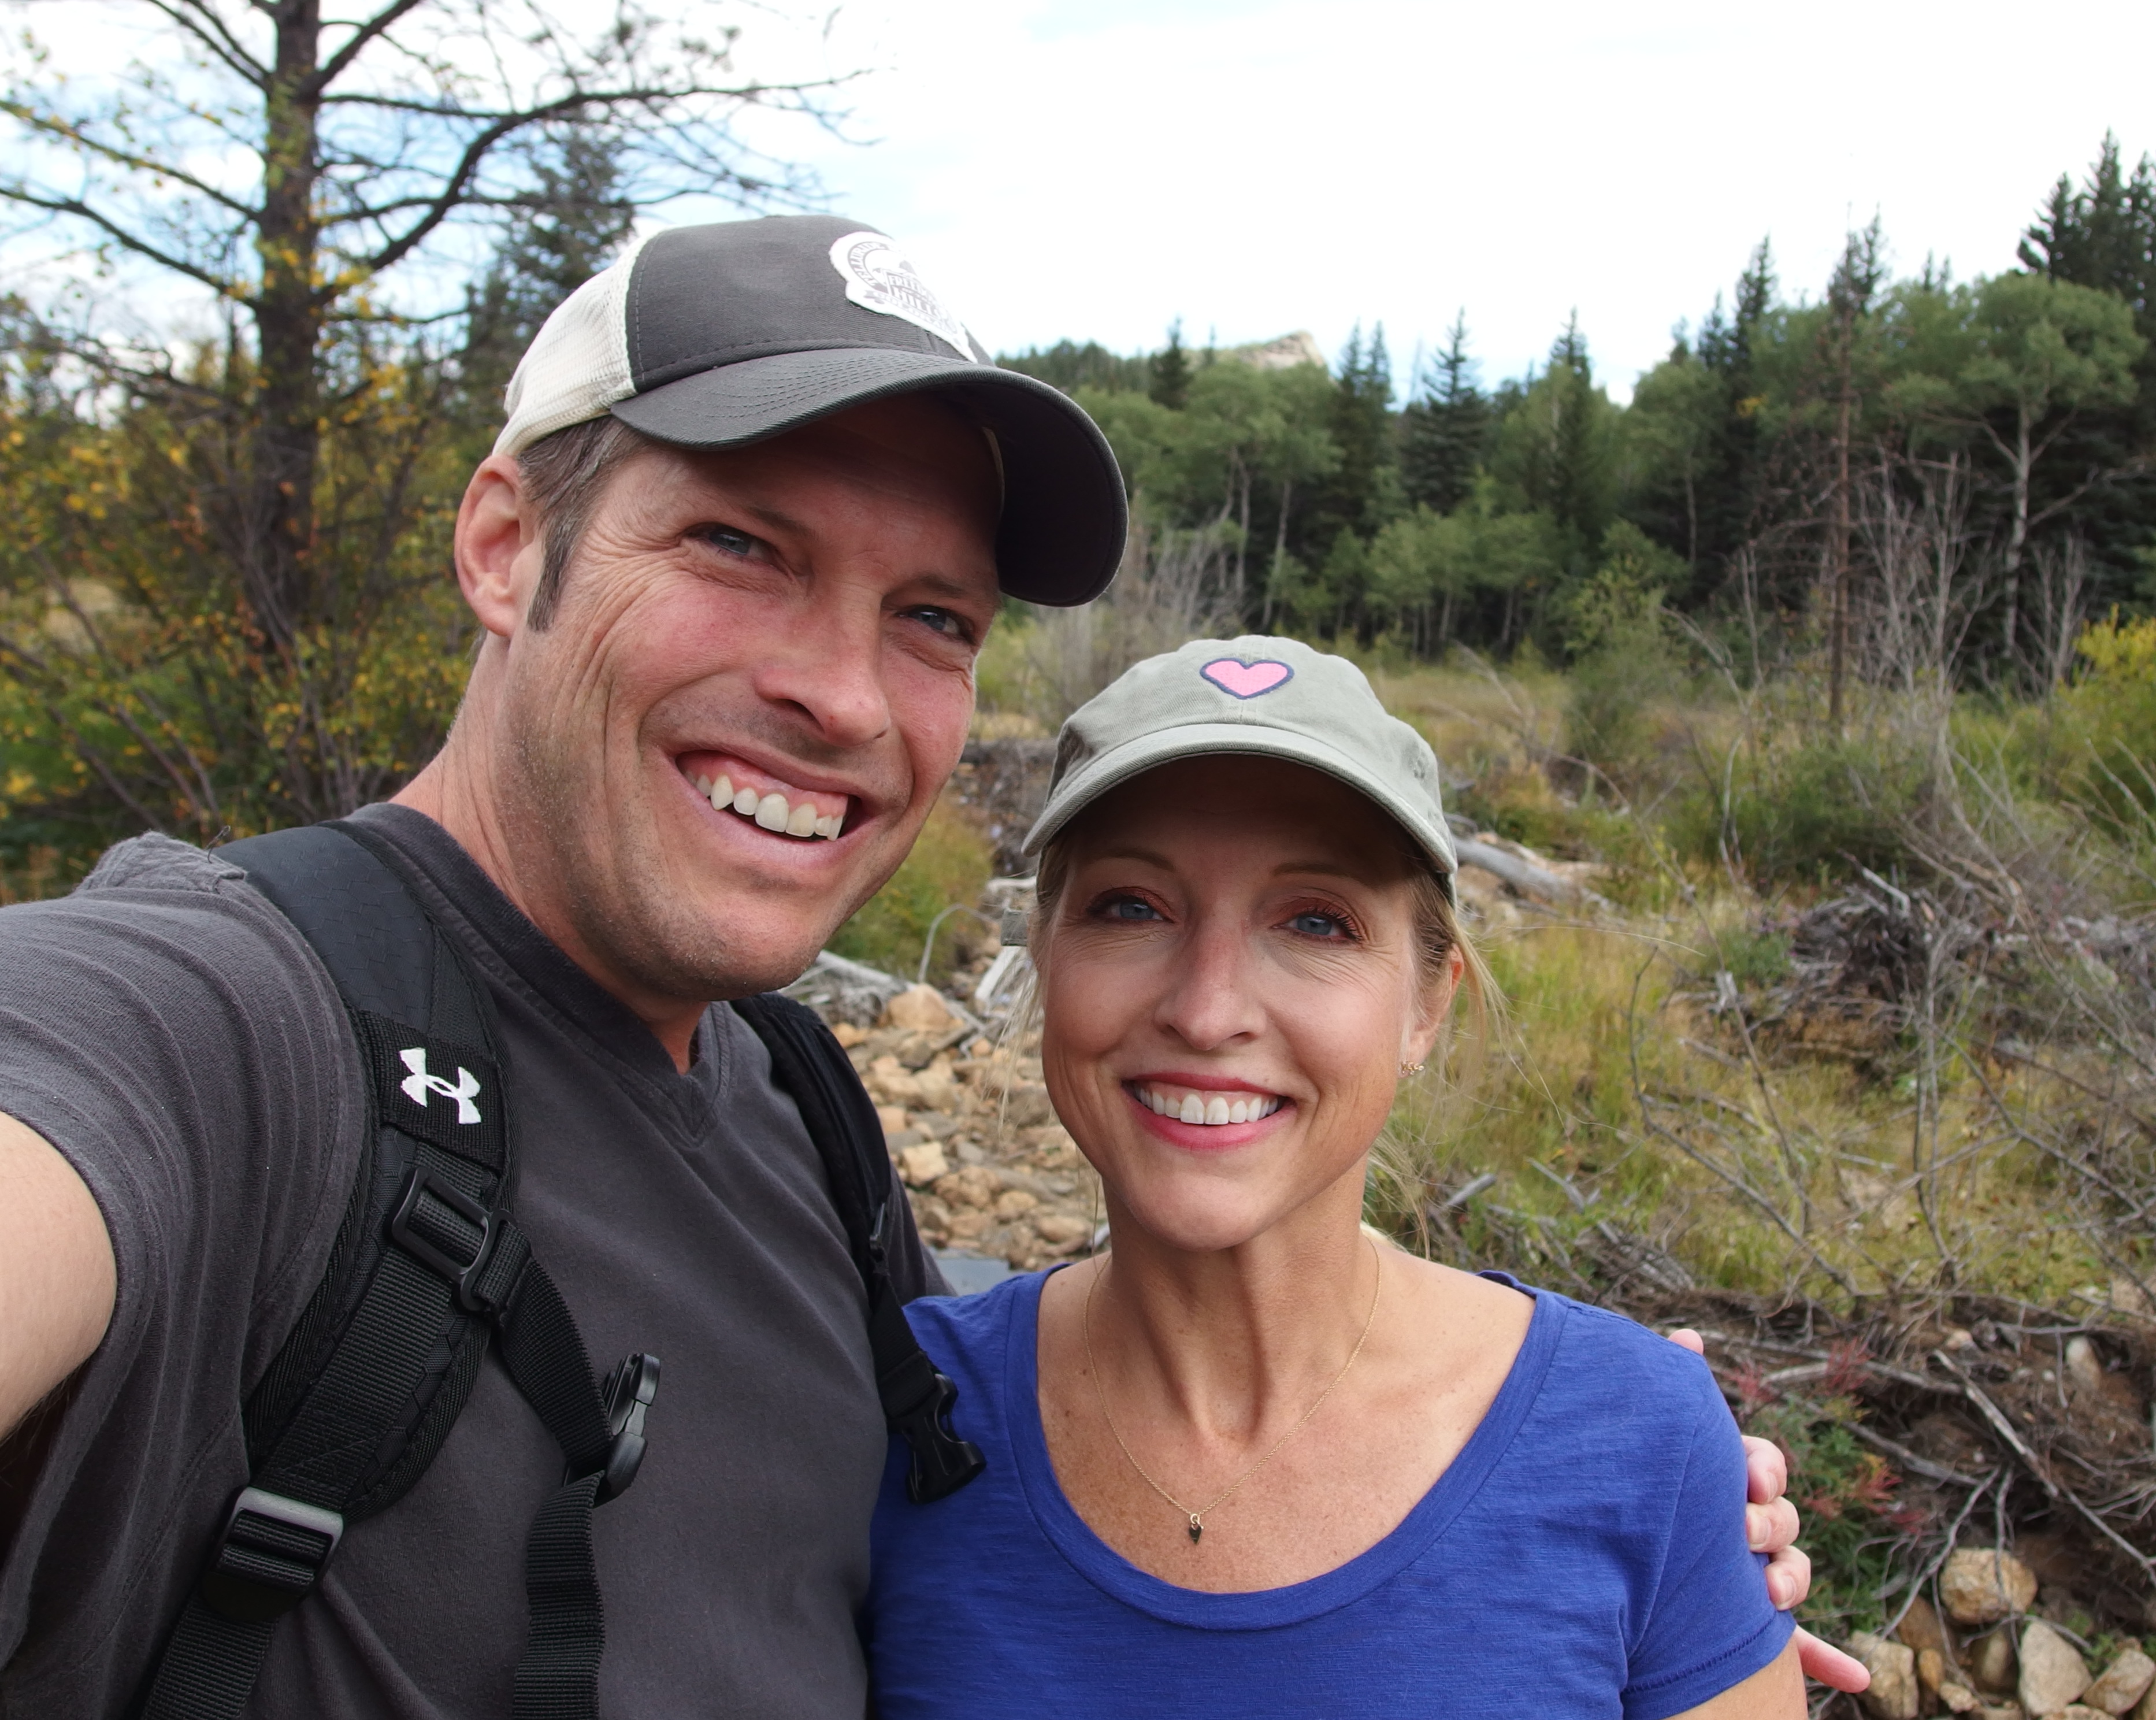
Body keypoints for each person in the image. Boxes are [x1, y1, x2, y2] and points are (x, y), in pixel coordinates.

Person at [0, 218, 1847, 1717]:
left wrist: (1621, 1460)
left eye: (932, 619)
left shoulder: (800, 1142)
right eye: (741, 542)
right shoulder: (225, 1031)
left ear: (1434, 994)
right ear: (505, 542)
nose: (838, 691)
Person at [868, 637, 1808, 1719]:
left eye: (1316, 921)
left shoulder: (1639, 1440)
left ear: (1427, 1004)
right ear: (1043, 954)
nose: (1208, 1008)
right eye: (1132, 906)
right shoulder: (891, 1423)